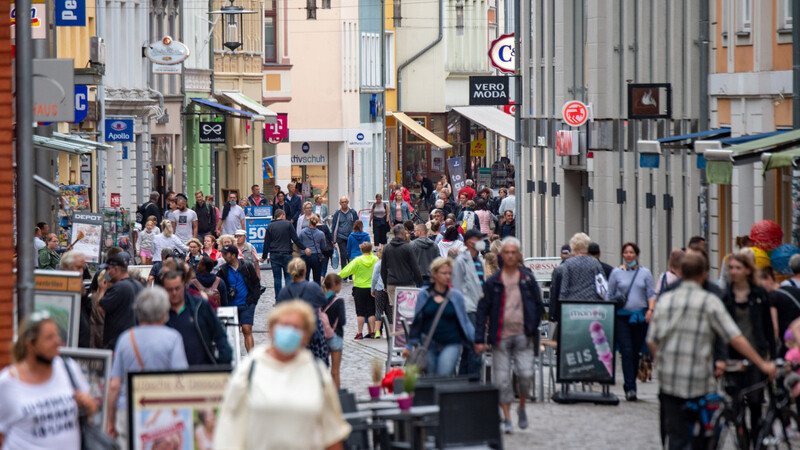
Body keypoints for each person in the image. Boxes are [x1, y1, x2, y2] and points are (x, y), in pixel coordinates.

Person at [647, 252, 776, 450]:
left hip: (669, 382)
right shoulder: (710, 301)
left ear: (681, 272)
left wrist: (661, 362)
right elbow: (735, 337)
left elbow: (651, 340)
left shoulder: (666, 300)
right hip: (699, 382)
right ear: (703, 274)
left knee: (677, 436)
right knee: (703, 435)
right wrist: (762, 364)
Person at [213, 300, 351, 449]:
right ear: (272, 330)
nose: (290, 331)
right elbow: (229, 428)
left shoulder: (316, 372)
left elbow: (332, 433)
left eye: (296, 327)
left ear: (306, 335)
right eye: (284, 325)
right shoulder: (249, 370)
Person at [475, 237, 543, 434]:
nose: (511, 256)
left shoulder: (527, 278)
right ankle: (506, 418)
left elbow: (538, 306)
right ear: (501, 256)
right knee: (502, 379)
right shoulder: (493, 282)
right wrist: (480, 338)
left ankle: (521, 406)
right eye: (507, 252)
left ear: (519, 255)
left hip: (524, 335)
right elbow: (482, 310)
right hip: (500, 336)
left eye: (514, 252)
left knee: (525, 375)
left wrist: (533, 326)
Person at [106, 287, 189, 446]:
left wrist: (110, 419)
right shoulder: (172, 338)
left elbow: (115, 385)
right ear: (164, 311)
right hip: (160, 411)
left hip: (127, 408)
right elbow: (180, 379)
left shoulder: (125, 338)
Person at [0, 313, 96, 449]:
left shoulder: (68, 368)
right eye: (49, 338)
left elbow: (91, 409)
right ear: (30, 345)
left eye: (56, 335)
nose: (57, 341)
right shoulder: (7, 383)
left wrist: (88, 405)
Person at [720, 253, 775, 437]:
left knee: (754, 400)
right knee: (736, 402)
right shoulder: (726, 296)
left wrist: (772, 357)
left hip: (757, 353)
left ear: (748, 270)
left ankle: (757, 436)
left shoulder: (759, 295)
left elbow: (768, 327)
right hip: (733, 355)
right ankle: (742, 437)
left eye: (738, 268)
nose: (733, 271)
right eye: (731, 268)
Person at [403, 257, 475, 376]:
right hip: (429, 344)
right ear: (435, 274)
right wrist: (409, 345)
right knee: (431, 377)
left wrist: (476, 340)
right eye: (444, 273)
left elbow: (465, 321)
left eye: (450, 273)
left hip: (451, 342)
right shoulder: (424, 295)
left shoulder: (456, 296)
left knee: (443, 374)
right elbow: (417, 320)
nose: (448, 276)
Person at [607, 242, 656, 401]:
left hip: (640, 318)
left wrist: (650, 310)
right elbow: (610, 295)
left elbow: (651, 294)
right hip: (622, 317)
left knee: (635, 352)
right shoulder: (616, 273)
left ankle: (631, 381)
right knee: (626, 351)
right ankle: (630, 388)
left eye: (632, 252)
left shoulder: (645, 273)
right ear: (622, 254)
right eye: (626, 252)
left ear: (637, 254)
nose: (629, 255)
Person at [163, 270, 233, 366]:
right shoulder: (161, 311)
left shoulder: (200, 306)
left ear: (183, 285)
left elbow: (219, 333)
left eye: (177, 288)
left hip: (201, 369)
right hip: (172, 373)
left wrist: (223, 362)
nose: (174, 293)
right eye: (170, 290)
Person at [276, 258, 330, 364]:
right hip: (313, 332)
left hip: (293, 334)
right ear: (305, 271)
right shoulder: (313, 287)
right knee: (318, 368)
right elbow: (324, 304)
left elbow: (279, 313)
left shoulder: (284, 292)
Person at [453, 229, 487, 376]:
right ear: (469, 242)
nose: (481, 242)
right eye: (477, 239)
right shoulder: (461, 261)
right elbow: (457, 288)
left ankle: (462, 385)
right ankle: (474, 385)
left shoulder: (479, 261)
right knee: (475, 348)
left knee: (468, 351)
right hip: (467, 310)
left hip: (477, 309)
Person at [217, 244, 262, 352]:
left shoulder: (247, 266)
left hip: (246, 304)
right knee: (234, 333)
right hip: (231, 306)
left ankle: (251, 358)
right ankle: (235, 358)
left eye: (225, 254)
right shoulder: (223, 270)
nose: (223, 256)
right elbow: (219, 287)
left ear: (233, 255)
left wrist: (253, 301)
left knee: (247, 329)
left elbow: (256, 284)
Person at [97, 254, 144, 350]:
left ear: (116, 269)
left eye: (109, 270)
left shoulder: (119, 287)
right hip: (136, 339)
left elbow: (101, 308)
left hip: (117, 341)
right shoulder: (138, 285)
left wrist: (102, 290)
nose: (108, 274)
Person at [261, 208, 306, 296]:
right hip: (287, 255)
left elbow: (266, 243)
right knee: (288, 277)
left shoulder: (270, 226)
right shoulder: (288, 224)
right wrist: (304, 248)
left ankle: (278, 299)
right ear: (282, 215)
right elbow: (295, 239)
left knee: (277, 279)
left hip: (274, 255)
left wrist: (264, 257)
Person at [339, 242, 379, 339]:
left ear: (361, 250)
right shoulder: (376, 259)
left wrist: (336, 277)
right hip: (372, 288)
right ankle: (373, 332)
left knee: (360, 312)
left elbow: (346, 271)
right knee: (371, 311)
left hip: (359, 288)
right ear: (370, 250)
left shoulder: (357, 260)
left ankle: (360, 333)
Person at [382, 224, 423, 315]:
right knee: (408, 309)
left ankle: (397, 328)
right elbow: (415, 266)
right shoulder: (407, 247)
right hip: (407, 282)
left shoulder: (387, 248)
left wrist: (385, 284)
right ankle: (406, 328)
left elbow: (383, 268)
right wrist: (420, 282)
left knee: (394, 308)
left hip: (392, 282)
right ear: (402, 233)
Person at [557, 232, 605, 302]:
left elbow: (564, 288)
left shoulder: (568, 263)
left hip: (573, 303)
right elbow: (602, 281)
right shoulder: (594, 262)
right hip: (592, 302)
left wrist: (561, 301)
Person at [60, 251, 92, 348]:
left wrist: (83, 296)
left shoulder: (80, 285)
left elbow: (88, 312)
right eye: (78, 267)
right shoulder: (59, 287)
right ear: (66, 267)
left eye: (83, 268)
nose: (81, 272)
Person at [322, 274, 347, 388]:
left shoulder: (321, 301)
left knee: (323, 370)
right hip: (336, 335)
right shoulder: (339, 301)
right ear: (334, 285)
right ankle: (337, 397)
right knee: (335, 372)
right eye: (340, 284)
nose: (341, 287)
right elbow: (342, 321)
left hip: (323, 337)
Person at [331, 197, 359, 268]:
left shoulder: (352, 212)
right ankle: (344, 274)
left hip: (351, 237)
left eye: (345, 202)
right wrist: (333, 240)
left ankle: (350, 273)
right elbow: (334, 226)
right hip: (341, 237)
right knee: (343, 255)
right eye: (342, 202)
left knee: (350, 255)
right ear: (340, 204)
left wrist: (357, 235)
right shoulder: (338, 213)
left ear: (348, 202)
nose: (344, 203)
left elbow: (357, 224)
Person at [299, 215, 327, 284]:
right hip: (316, 256)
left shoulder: (302, 232)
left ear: (309, 222)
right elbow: (323, 247)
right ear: (317, 222)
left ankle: (305, 293)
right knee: (317, 278)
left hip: (304, 256)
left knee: (305, 278)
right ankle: (316, 293)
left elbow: (299, 244)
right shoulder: (321, 234)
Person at [371, 247, 390, 338]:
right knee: (390, 311)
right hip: (389, 288)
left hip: (379, 288)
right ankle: (391, 332)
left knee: (379, 310)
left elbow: (374, 278)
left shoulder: (378, 264)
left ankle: (377, 331)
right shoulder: (391, 263)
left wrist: (372, 289)